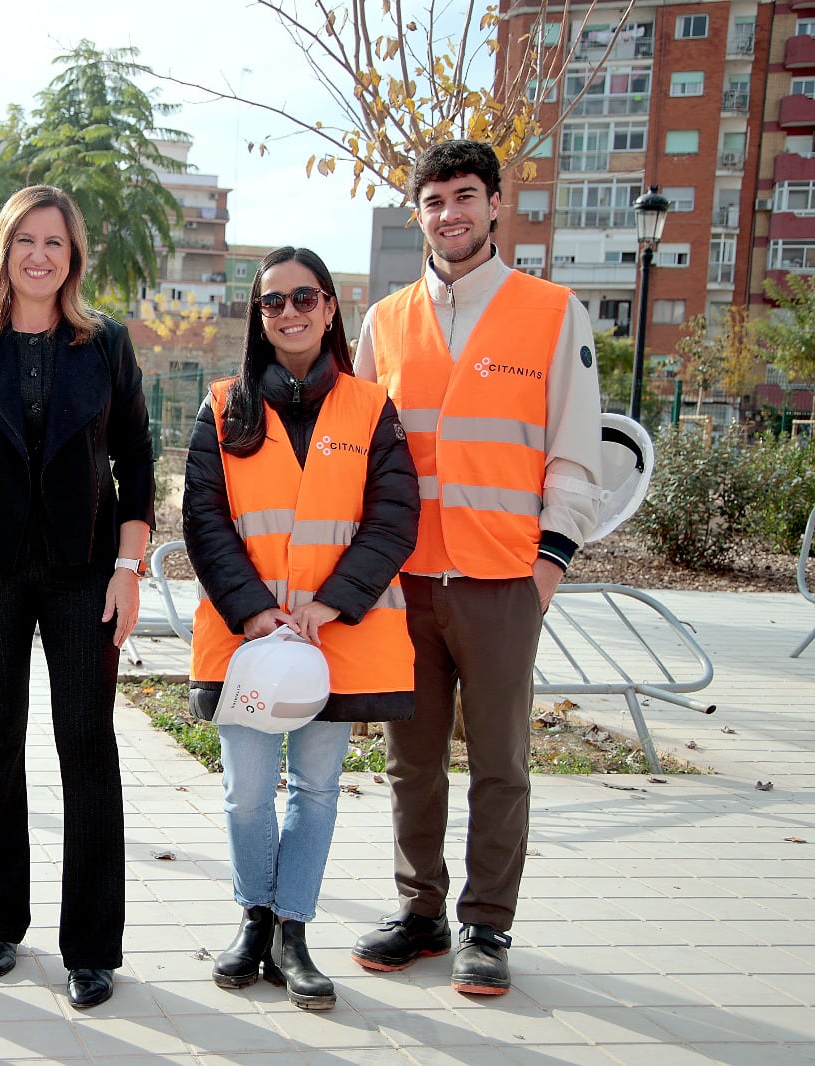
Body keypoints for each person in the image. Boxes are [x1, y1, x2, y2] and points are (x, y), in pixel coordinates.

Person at [351, 139, 603, 996]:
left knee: (500, 762)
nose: (450, 213)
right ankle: (419, 912)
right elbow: (354, 454)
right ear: (417, 213)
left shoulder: (552, 311)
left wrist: (549, 568)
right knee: (409, 761)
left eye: (466, 195)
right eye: (434, 200)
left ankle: (486, 925)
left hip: (503, 583)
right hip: (405, 582)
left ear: (496, 204)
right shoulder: (383, 322)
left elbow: (574, 454)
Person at [0, 185, 154, 1009]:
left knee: (87, 747)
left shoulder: (106, 344)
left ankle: (91, 947)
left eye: (56, 243)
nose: (41, 256)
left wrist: (128, 570)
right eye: (27, 241)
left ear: (73, 257)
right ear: (4, 249)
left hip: (87, 573)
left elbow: (138, 466)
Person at [183, 247, 419, 1009]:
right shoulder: (224, 406)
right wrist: (253, 609)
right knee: (248, 793)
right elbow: (204, 520)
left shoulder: (370, 407)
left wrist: (331, 602)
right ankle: (252, 920)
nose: (289, 312)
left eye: (303, 298)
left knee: (316, 790)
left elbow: (395, 519)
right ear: (259, 316)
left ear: (329, 307)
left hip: (334, 640)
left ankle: (293, 934)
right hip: (248, 643)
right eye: (272, 302)